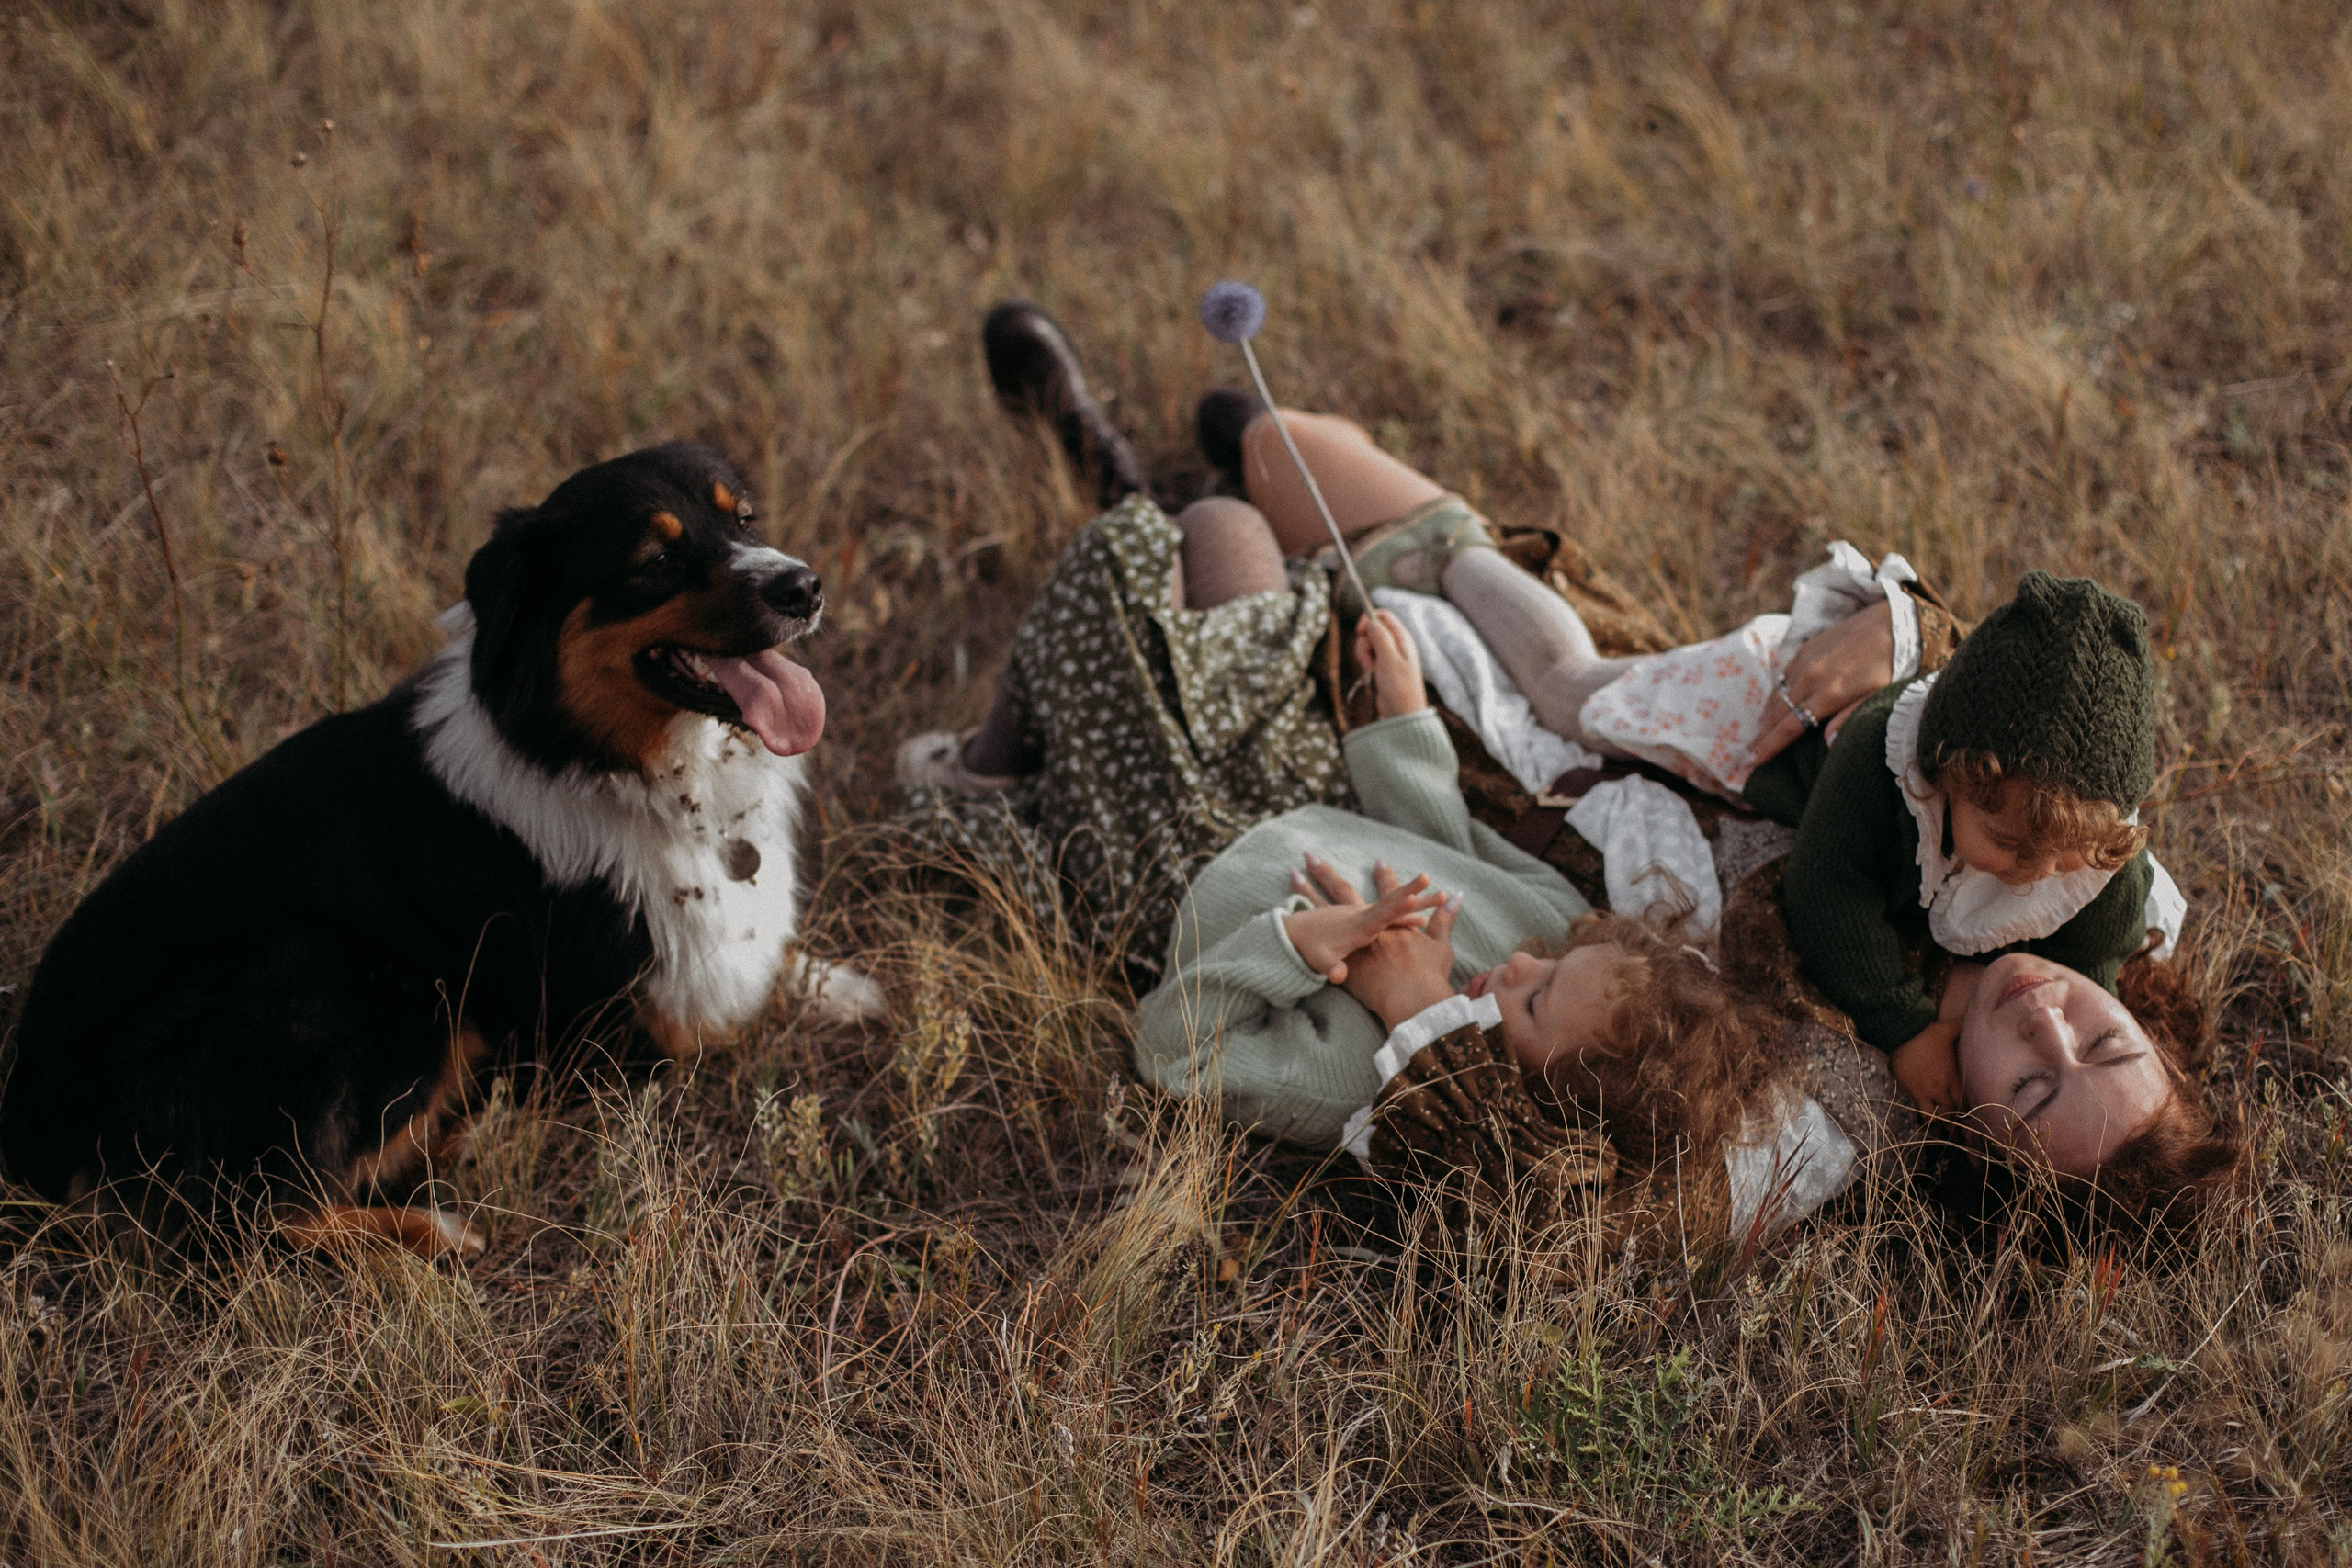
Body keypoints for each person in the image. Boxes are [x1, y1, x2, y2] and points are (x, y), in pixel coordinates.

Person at [904, 299, 2234, 1237]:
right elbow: (2006, 706)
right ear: (2141, 1012)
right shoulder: (2077, 885)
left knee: (1226, 533)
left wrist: (1426, 1015)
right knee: (1277, 454)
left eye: (2034, 1083)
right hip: (1627, 722)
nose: (2048, 1021)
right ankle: (1213, 480)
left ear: (1975, 1135)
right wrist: (1900, 623)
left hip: (1489, 829)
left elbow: (1576, 1220)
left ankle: (1105, 467)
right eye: (2101, 1032)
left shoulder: (1836, 1114)